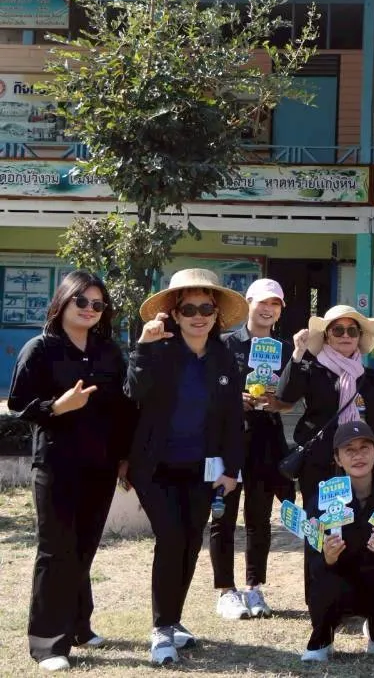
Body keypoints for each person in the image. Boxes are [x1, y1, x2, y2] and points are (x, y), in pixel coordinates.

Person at [9, 271, 133, 672]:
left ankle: (79, 625)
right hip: (57, 464)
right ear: (62, 301)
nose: (89, 310)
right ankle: (48, 644)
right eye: (81, 301)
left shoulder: (108, 351)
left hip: (100, 465)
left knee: (84, 547)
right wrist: (58, 407)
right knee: (55, 550)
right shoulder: (40, 349)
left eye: (98, 304)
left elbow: (122, 409)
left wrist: (124, 457)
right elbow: (18, 405)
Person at [127, 269, 247, 665]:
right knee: (171, 538)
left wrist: (232, 470)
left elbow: (233, 420)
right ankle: (161, 628)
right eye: (190, 309)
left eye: (206, 309)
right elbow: (133, 391)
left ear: (216, 314)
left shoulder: (224, 357)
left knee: (192, 541)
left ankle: (174, 619)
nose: (199, 316)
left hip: (203, 468)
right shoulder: (157, 350)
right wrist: (143, 347)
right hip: (155, 466)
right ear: (175, 315)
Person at [301, 421, 374, 663]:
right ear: (337, 458)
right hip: (339, 583)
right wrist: (327, 557)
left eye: (365, 448)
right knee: (323, 589)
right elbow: (312, 566)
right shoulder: (323, 500)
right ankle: (322, 639)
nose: (358, 456)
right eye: (349, 450)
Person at [211, 278, 294, 623]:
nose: (268, 309)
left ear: (280, 310)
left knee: (259, 518)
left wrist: (277, 403)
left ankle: (254, 586)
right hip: (226, 439)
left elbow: (291, 401)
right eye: (263, 302)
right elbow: (209, 391)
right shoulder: (223, 344)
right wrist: (235, 399)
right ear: (249, 302)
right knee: (223, 516)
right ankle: (225, 591)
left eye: (275, 304)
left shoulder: (286, 349)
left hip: (266, 439)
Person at [277, 304, 374, 508]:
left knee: (359, 520)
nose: (345, 335)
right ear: (327, 336)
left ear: (359, 337)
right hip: (320, 462)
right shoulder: (313, 371)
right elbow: (285, 396)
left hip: (360, 463)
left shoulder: (370, 378)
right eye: (338, 330)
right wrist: (298, 354)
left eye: (352, 331)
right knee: (318, 521)